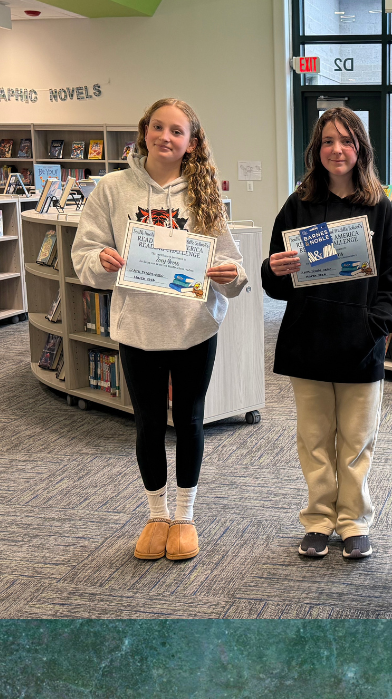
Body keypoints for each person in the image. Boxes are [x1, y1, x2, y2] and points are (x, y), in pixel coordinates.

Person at [72, 98, 247, 562]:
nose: (165, 137)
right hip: (138, 330)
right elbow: (84, 254)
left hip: (193, 328)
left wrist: (231, 276)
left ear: (191, 143)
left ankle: (185, 515)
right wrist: (101, 262)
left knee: (189, 421)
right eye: (157, 127)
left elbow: (234, 265)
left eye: (176, 131)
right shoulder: (111, 189)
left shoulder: (204, 196)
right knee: (148, 424)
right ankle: (156, 513)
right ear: (144, 130)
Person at [262, 107, 392, 560]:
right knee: (314, 438)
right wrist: (274, 268)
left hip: (360, 343)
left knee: (357, 441)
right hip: (308, 339)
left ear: (360, 147)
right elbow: (274, 281)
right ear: (316, 149)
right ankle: (319, 520)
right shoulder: (297, 204)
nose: (337, 149)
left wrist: (375, 327)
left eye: (346, 140)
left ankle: (353, 522)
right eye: (328, 141)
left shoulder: (380, 208)